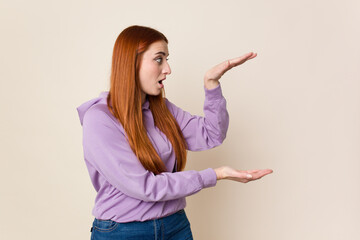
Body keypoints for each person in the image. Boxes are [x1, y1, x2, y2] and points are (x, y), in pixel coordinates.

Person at [77, 25, 273, 240]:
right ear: (131, 63)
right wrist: (215, 174)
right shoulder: (100, 119)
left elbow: (212, 134)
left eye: (167, 59)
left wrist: (212, 84)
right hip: (124, 231)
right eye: (159, 59)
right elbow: (145, 187)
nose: (168, 69)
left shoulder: (161, 109)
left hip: (174, 224)